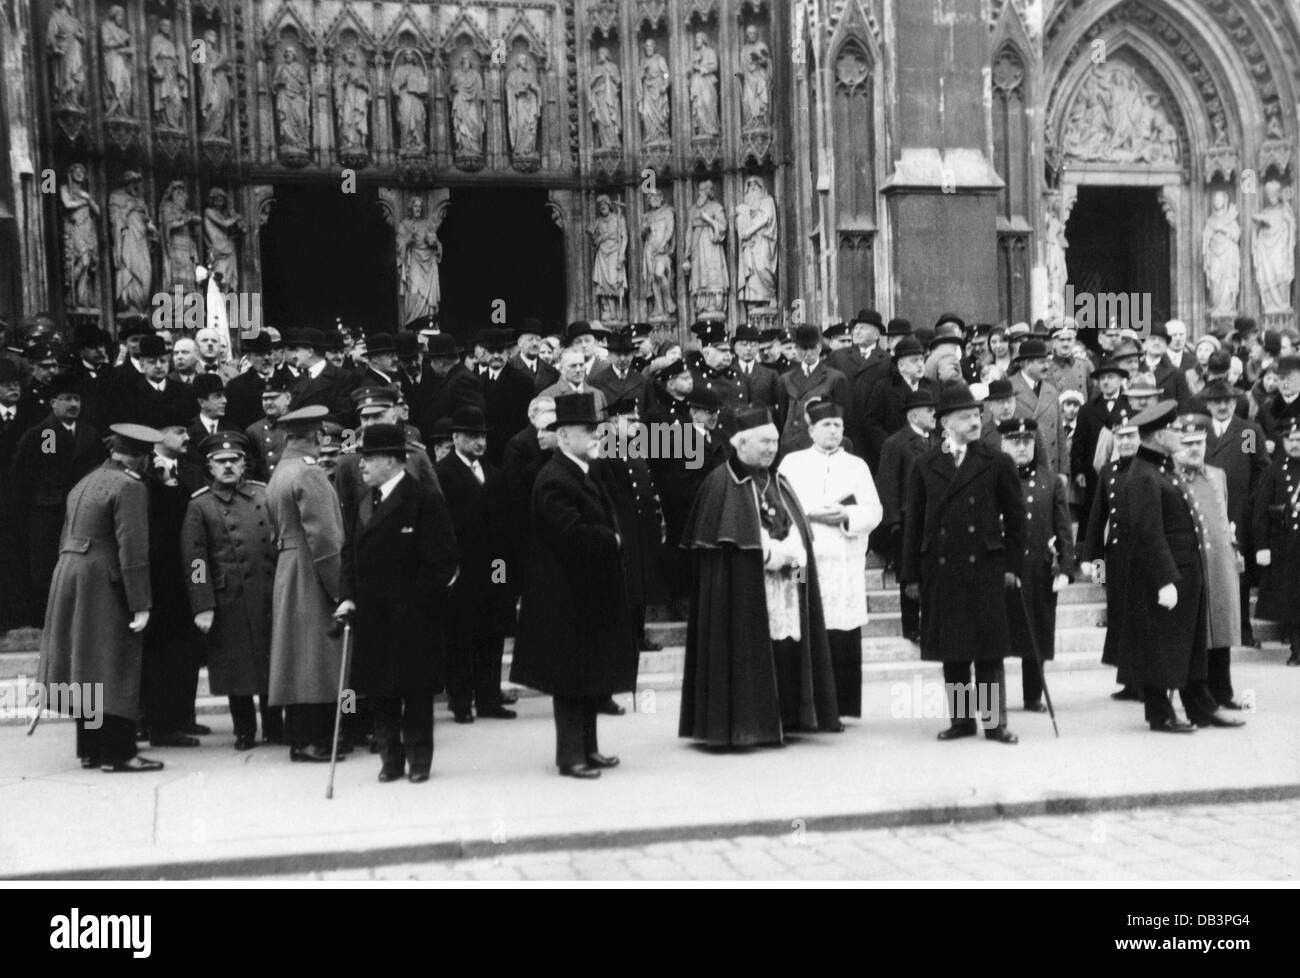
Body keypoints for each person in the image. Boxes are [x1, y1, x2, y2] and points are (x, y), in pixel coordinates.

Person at [678, 406, 842, 747]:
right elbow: (735, 544)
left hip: (786, 585)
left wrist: (797, 577)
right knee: (747, 652)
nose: (771, 448)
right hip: (744, 590)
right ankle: (745, 725)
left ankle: (788, 717)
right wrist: (771, 556)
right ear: (740, 443)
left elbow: (797, 533)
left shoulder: (779, 480)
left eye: (775, 442)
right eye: (764, 442)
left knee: (788, 644)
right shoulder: (721, 483)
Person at [511, 393, 638, 778]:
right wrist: (611, 539)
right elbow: (571, 535)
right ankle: (571, 756)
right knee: (569, 681)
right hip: (564, 598)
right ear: (564, 437)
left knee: (588, 674)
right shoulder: (553, 478)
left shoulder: (582, 470)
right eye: (588, 431)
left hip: (586, 595)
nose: (597, 437)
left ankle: (589, 748)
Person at [902, 383, 1026, 744]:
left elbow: (1017, 520)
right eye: (965, 416)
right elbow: (914, 522)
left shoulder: (996, 461)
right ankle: (961, 721)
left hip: (986, 567)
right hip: (942, 569)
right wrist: (911, 574)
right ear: (945, 423)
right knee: (953, 651)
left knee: (987, 651)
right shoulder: (925, 464)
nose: (974, 422)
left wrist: (1012, 567)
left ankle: (993, 723)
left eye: (976, 415)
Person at [38, 424, 165, 773]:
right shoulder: (130, 486)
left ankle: (91, 748)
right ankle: (120, 752)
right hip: (103, 578)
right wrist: (140, 601)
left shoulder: (87, 480)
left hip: (70, 573)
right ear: (141, 456)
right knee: (115, 662)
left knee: (87, 664)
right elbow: (133, 549)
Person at [335, 424, 458, 783]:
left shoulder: (423, 499)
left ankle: (419, 759)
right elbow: (349, 556)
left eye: (368, 458)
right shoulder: (363, 502)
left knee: (415, 692)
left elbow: (443, 561)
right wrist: (347, 597)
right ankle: (391, 759)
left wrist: (416, 604)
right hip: (372, 617)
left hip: (412, 618)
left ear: (391, 460)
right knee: (380, 693)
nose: (361, 465)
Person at [1118, 401, 1240, 732]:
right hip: (1170, 576)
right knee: (1164, 646)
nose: (1179, 435)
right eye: (1173, 430)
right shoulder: (1144, 475)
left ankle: (1200, 707)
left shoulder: (1159, 468)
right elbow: (1148, 532)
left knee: (1188, 647)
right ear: (1159, 436)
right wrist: (1164, 580)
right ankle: (1160, 714)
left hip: (1186, 571)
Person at [779, 402, 882, 717]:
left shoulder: (856, 466)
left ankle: (839, 707)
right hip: (801, 561)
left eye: (838, 425)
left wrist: (846, 514)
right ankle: (804, 705)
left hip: (843, 561)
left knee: (841, 630)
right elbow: (779, 508)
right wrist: (809, 514)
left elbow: (874, 510)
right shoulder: (792, 463)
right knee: (802, 621)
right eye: (826, 425)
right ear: (811, 430)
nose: (833, 431)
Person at [182, 432, 282, 750]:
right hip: (230, 598)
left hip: (268, 591)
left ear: (244, 464)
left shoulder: (263, 495)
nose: (228, 467)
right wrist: (203, 604)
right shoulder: (201, 505)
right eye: (220, 462)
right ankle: (244, 730)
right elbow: (195, 560)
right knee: (237, 666)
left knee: (270, 661)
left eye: (234, 461)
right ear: (210, 467)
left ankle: (275, 727)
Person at [265, 405, 348, 762]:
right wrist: (339, 588)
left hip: (289, 564)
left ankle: (302, 736)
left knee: (297, 655)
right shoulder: (309, 474)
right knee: (317, 657)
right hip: (312, 568)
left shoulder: (281, 471)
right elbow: (326, 539)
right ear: (316, 437)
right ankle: (314, 739)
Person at [436, 405, 516, 723]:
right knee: (461, 638)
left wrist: (502, 573)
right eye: (472, 436)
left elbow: (504, 525)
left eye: (482, 436)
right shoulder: (443, 473)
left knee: (492, 633)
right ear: (456, 438)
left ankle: (489, 699)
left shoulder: (493, 473)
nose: (479, 442)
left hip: (493, 569)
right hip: (462, 571)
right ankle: (461, 701)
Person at [10, 374, 105, 623]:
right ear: (53, 403)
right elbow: (47, 467)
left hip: (81, 509)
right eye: (66, 399)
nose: (73, 404)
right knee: (47, 566)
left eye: (76, 399)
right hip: (48, 510)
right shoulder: (47, 434)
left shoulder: (89, 433)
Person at [998, 418, 1075, 712]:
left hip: (1038, 571)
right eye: (1015, 441)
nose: (1021, 447)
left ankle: (1032, 697)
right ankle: (990, 707)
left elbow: (1063, 527)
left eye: (1027, 441)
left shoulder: (1049, 481)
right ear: (1003, 444)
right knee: (994, 643)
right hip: (1002, 571)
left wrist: (1066, 569)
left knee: (1036, 637)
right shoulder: (993, 477)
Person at [1174, 414, 1245, 710]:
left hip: (1220, 562)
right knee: (1200, 632)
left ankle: (1224, 692)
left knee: (1224, 628)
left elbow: (1223, 515)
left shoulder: (1218, 475)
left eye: (1199, 443)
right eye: (1187, 443)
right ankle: (1203, 695)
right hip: (1195, 561)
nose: (1194, 449)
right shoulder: (1174, 478)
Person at [1201, 380, 1269, 648]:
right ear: (1207, 404)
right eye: (1216, 401)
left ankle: (1243, 630)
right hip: (1204, 510)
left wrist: (1251, 506)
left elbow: (1260, 471)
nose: (1221, 406)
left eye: (1227, 401)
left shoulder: (1248, 433)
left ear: (1235, 403)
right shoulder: (1198, 432)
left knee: (1238, 574)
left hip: (1239, 513)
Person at [1081, 411, 1141, 701]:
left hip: (1144, 556)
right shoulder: (1109, 471)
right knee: (1119, 617)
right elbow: (1097, 517)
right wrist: (1093, 559)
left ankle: (1146, 682)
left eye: (1131, 435)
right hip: (1116, 557)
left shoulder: (1149, 469)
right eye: (1121, 436)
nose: (1126, 441)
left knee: (1142, 618)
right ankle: (1129, 681)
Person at [601, 397, 668, 655]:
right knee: (627, 584)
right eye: (629, 420)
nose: (635, 424)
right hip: (622, 524)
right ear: (614, 421)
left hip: (642, 524)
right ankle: (625, 637)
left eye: (635, 420)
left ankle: (638, 636)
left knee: (641, 583)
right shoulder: (606, 449)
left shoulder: (636, 447)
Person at [877, 387, 935, 642]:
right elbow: (888, 485)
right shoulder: (896, 443)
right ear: (913, 416)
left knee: (932, 573)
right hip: (907, 520)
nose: (935, 415)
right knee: (910, 576)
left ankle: (932, 622)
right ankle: (911, 626)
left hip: (933, 519)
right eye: (929, 410)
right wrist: (894, 524)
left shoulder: (939, 441)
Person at [1252, 415, 1300, 665]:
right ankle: (1296, 649)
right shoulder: (1273, 471)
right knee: (1292, 602)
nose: (1295, 443)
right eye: (1290, 439)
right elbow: (1260, 512)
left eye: (1299, 439)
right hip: (1286, 547)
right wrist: (1261, 546)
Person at [1071, 358, 1130, 544]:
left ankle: (1116, 570)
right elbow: (1079, 442)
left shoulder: (1130, 406)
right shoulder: (1088, 409)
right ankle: (1097, 570)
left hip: (1124, 473)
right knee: (1094, 522)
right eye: (1102, 378)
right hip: (1094, 476)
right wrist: (1079, 470)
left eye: (1111, 377)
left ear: (1120, 380)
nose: (1106, 382)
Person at [776, 325, 850, 455]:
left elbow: (843, 418)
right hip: (791, 445)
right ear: (797, 349)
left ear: (820, 348)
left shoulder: (835, 378)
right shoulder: (785, 379)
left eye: (813, 348)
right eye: (804, 348)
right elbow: (782, 416)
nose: (808, 353)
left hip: (820, 445)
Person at [864, 335, 933, 467]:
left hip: (927, 457)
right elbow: (871, 422)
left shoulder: (933, 387)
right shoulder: (884, 387)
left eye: (921, 359)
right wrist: (889, 448)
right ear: (901, 365)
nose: (920, 365)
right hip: (896, 458)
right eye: (914, 361)